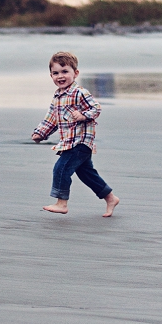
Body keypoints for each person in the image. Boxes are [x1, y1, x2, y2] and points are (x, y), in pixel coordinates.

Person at [31, 51, 120, 217]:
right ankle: (110, 197)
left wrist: (83, 115)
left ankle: (61, 203)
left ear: (75, 73)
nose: (60, 76)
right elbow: (51, 119)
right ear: (51, 75)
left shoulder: (79, 92)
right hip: (69, 142)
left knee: (61, 168)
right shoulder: (57, 96)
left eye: (65, 72)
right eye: (56, 73)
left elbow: (96, 108)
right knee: (86, 174)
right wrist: (40, 133)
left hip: (80, 141)